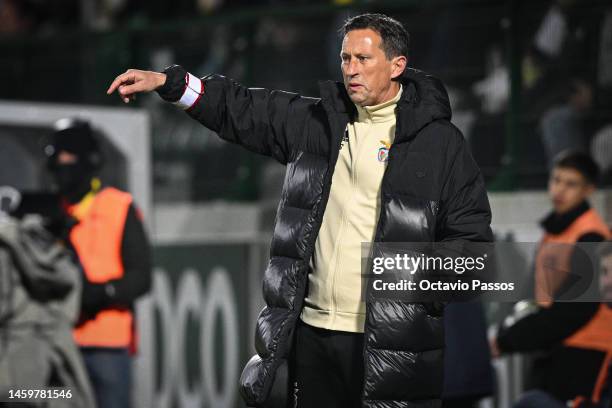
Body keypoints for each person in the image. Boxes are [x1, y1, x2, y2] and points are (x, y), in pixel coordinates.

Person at [107, 13, 492, 407]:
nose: (351, 70)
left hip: (388, 345)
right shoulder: (318, 123)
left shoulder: (441, 144)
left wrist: (405, 279)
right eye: (345, 59)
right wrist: (173, 85)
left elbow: (473, 250)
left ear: (398, 65)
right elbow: (242, 109)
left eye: (363, 59)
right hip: (312, 336)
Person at [44, 118, 152, 408]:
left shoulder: (120, 206)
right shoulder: (48, 213)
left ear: (88, 161)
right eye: (59, 158)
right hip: (56, 344)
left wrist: (100, 293)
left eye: (71, 157)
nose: (65, 166)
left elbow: (141, 278)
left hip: (108, 346)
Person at [491, 151, 612, 407]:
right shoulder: (556, 232)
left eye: (571, 184)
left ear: (589, 190)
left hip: (584, 354)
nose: (559, 189)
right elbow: (539, 297)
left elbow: (573, 311)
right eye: (556, 180)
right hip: (553, 348)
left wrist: (509, 340)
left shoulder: (591, 236)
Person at [0, 186, 96, 408]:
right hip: (51, 364)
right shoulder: (61, 260)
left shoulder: (6, 251)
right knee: (55, 396)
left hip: (11, 375)